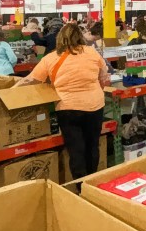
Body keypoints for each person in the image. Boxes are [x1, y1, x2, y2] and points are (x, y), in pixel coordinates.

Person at [15, 24, 110, 181]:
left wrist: (10, 90)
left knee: (76, 149)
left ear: (59, 39)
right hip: (94, 105)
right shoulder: (92, 52)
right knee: (92, 145)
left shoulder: (50, 58)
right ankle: (92, 181)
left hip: (68, 108)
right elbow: (104, 74)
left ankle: (81, 185)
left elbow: (31, 79)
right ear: (80, 36)